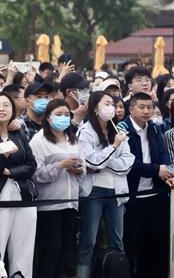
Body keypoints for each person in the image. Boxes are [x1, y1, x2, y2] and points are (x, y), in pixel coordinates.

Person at [0, 92, 37, 277]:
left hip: (23, 193)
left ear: (13, 110)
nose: (1, 109)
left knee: (24, 246)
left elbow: (31, 164)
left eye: (6, 105)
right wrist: (5, 156)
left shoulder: (18, 132)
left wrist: (9, 171)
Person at [76, 91, 135, 278]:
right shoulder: (85, 131)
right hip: (93, 192)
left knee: (117, 240)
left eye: (114, 104)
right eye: (107, 103)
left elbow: (127, 163)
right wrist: (113, 148)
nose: (112, 107)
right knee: (88, 242)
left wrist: (103, 163)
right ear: (95, 107)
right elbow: (91, 163)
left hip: (116, 192)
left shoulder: (117, 130)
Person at [30, 99, 84, 278]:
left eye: (67, 115)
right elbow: (35, 174)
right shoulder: (39, 140)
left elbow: (83, 169)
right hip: (49, 205)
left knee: (65, 248)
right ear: (48, 117)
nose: (63, 118)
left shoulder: (73, 138)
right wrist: (59, 165)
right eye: (58, 114)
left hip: (70, 203)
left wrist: (78, 170)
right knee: (51, 249)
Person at [121, 92, 173, 277]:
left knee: (154, 243)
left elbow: (162, 154)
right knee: (130, 243)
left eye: (149, 107)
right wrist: (156, 170)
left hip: (155, 194)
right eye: (141, 107)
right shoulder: (122, 129)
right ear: (131, 109)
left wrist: (166, 171)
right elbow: (130, 163)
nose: (146, 111)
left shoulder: (154, 128)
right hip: (132, 196)